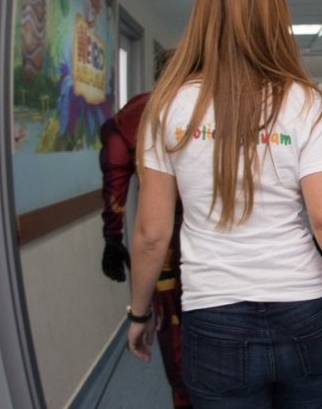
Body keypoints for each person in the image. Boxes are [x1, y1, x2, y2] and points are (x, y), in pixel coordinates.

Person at [125, 0, 322, 409]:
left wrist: (139, 313)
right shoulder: (302, 99)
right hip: (306, 316)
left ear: (204, 21)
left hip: (214, 320)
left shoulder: (167, 107)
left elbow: (152, 235)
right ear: (274, 22)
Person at [99, 48, 190, 409]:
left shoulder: (135, 116)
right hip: (221, 256)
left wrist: (111, 236)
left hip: (169, 253)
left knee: (180, 354)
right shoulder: (222, 112)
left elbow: (115, 178)